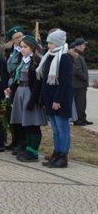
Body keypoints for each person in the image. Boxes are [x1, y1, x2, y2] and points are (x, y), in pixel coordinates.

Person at [4, 35, 47, 162]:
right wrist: (11, 88)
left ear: (32, 48)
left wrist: (32, 101)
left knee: (33, 124)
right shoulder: (23, 60)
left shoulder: (35, 63)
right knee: (25, 124)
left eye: (25, 47)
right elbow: (18, 78)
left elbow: (37, 84)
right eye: (21, 47)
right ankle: (27, 148)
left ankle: (33, 152)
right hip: (20, 93)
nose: (22, 49)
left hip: (29, 93)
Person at [37, 29, 74, 169]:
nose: (48, 45)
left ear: (58, 42)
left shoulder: (64, 58)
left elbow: (64, 82)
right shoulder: (49, 56)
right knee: (55, 130)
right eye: (48, 42)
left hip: (60, 100)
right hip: (50, 99)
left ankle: (63, 156)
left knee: (62, 128)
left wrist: (57, 100)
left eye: (51, 42)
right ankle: (56, 154)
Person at [70, 38, 91, 126]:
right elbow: (77, 70)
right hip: (78, 84)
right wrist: (85, 78)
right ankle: (78, 120)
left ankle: (83, 119)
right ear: (79, 46)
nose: (85, 46)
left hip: (80, 84)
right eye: (84, 45)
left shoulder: (79, 55)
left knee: (82, 103)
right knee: (79, 103)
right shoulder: (76, 55)